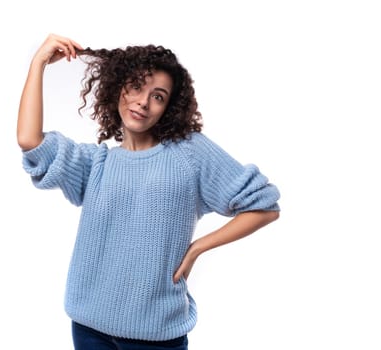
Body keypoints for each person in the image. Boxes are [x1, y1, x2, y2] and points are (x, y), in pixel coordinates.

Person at [17, 33, 280, 350]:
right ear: (118, 89)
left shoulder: (189, 153)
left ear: (168, 108)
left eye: (158, 96)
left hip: (155, 336)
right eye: (137, 86)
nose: (143, 100)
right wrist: (39, 62)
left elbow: (264, 206)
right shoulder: (97, 163)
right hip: (88, 327)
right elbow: (30, 141)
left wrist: (198, 247)